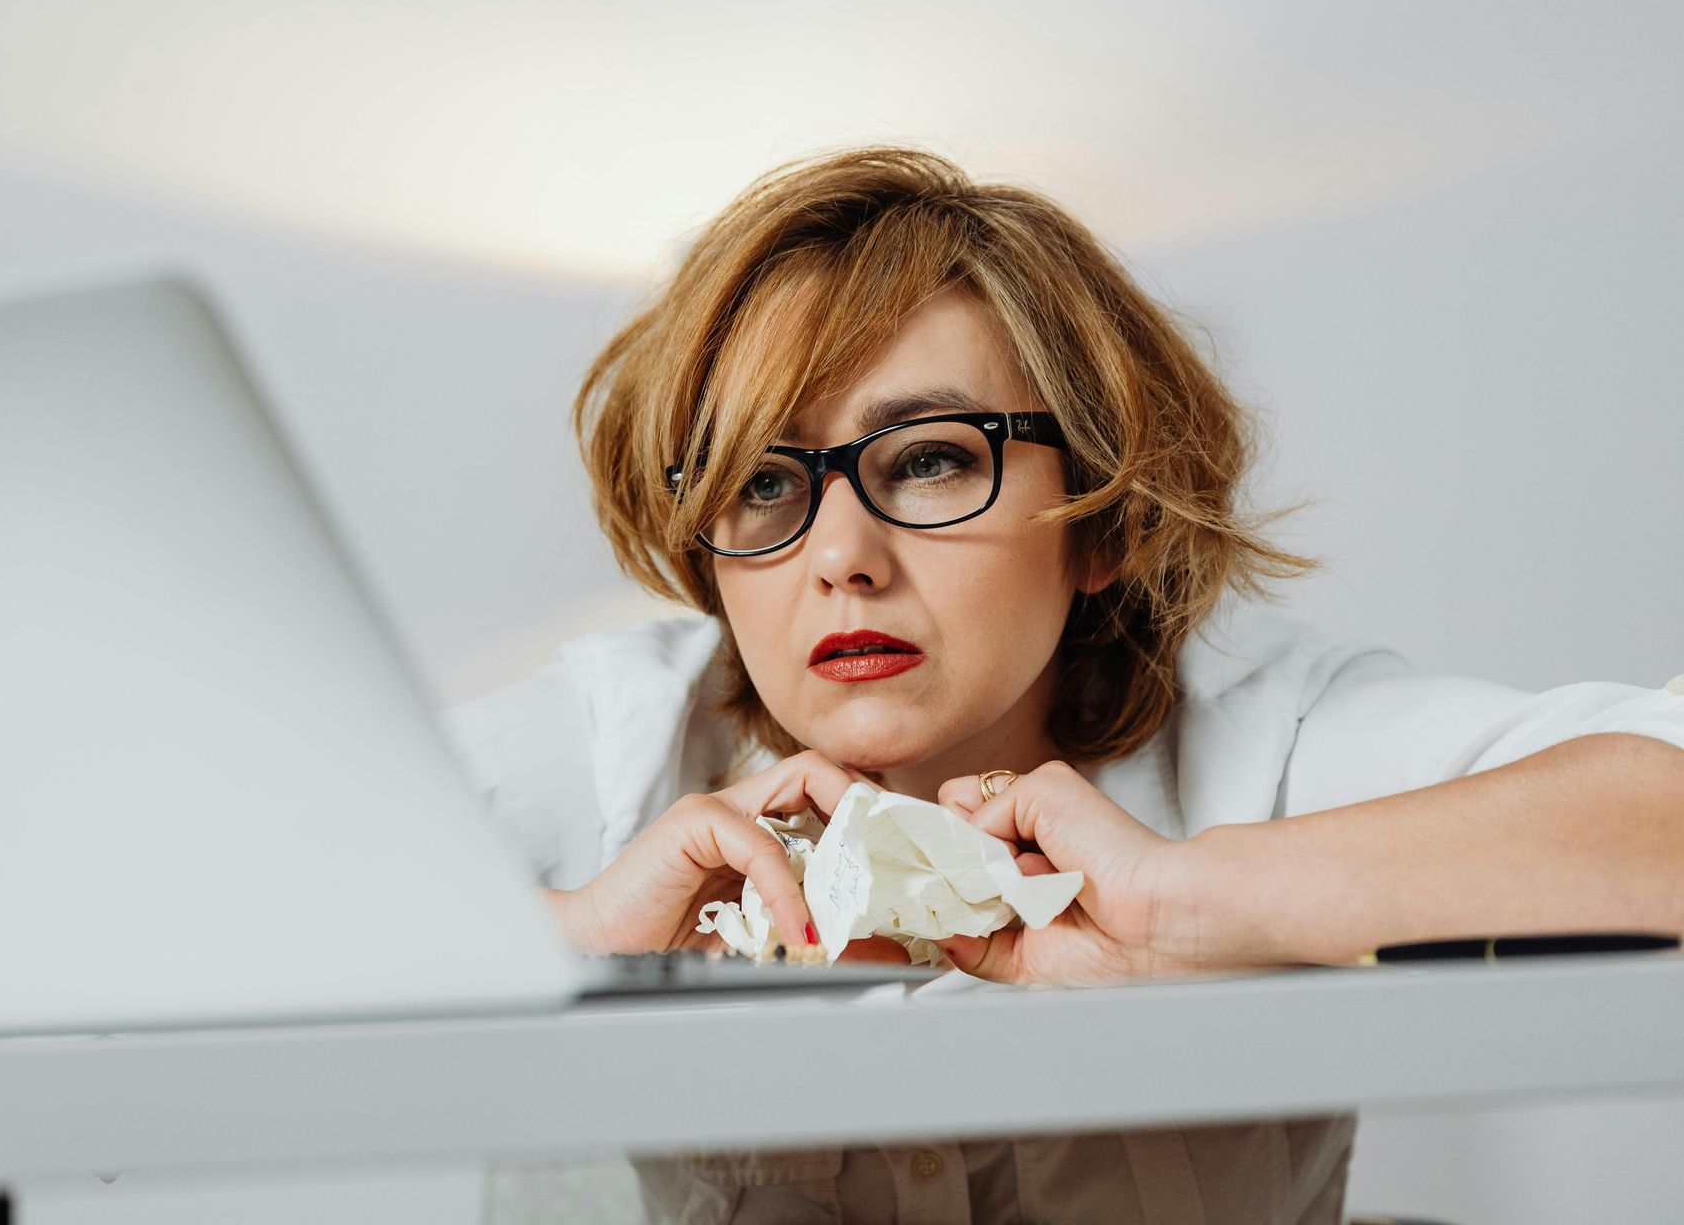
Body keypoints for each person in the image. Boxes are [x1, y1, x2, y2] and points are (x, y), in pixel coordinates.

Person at [441, 146, 1684, 1224]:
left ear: (1106, 519)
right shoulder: (623, 737)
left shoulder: (1270, 732)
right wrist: (570, 942)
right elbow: (250, 868)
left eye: (928, 459)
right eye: (763, 484)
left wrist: (1188, 901)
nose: (839, 558)